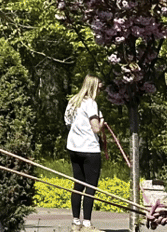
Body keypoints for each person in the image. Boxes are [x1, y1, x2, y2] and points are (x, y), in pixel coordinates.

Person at [65, 75, 104, 230]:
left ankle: (75, 221)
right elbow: (96, 128)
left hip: (74, 147)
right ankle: (87, 222)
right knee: (90, 186)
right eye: (99, 88)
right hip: (89, 149)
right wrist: (102, 121)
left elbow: (68, 123)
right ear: (94, 87)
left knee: (78, 184)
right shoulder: (91, 103)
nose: (100, 92)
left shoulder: (73, 101)